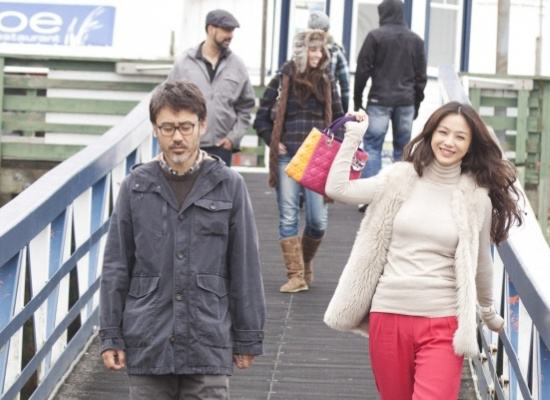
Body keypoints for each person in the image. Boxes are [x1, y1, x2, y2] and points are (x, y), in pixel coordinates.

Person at [324, 102, 523, 399]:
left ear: (471, 146)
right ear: (430, 134)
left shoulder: (475, 197)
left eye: (460, 137)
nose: (449, 142)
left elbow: (481, 261)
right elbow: (337, 190)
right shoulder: (399, 178)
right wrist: (353, 137)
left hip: (443, 322)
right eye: (443, 132)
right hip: (389, 315)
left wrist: (487, 309)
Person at [99, 80, 266, 400]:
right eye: (168, 127)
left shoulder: (228, 184)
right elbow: (116, 264)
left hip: (208, 339)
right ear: (154, 129)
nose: (177, 137)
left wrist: (248, 336)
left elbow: (245, 264)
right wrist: (110, 335)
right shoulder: (136, 185)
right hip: (149, 339)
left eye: (186, 127)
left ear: (202, 125)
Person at [254, 29, 344, 293]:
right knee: (288, 215)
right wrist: (273, 141)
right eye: (312, 49)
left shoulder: (328, 81)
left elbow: (338, 119)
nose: (317, 55)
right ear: (302, 51)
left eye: (320, 50)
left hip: (316, 159)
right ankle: (295, 276)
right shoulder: (283, 79)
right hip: (288, 156)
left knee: (318, 221)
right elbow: (261, 118)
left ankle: (304, 262)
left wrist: (335, 144)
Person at [168, 9, 255, 166]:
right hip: (187, 146)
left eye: (232, 31)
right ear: (210, 29)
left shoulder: (237, 65)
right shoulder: (185, 63)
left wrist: (233, 138)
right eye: (226, 30)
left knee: (219, 184)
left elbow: (246, 106)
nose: (231, 35)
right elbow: (168, 101)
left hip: (221, 148)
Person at [354, 0, 427, 183]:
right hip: (406, 101)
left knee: (372, 147)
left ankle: (369, 193)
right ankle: (398, 192)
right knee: (403, 149)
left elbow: (362, 70)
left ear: (383, 13)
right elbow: (421, 77)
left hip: (379, 100)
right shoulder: (416, 41)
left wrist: (357, 100)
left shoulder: (375, 37)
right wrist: (416, 104)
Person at [308, 10, 351, 112]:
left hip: (304, 106)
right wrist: (343, 111)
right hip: (329, 105)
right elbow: (345, 86)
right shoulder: (336, 52)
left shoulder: (303, 51)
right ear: (327, 30)